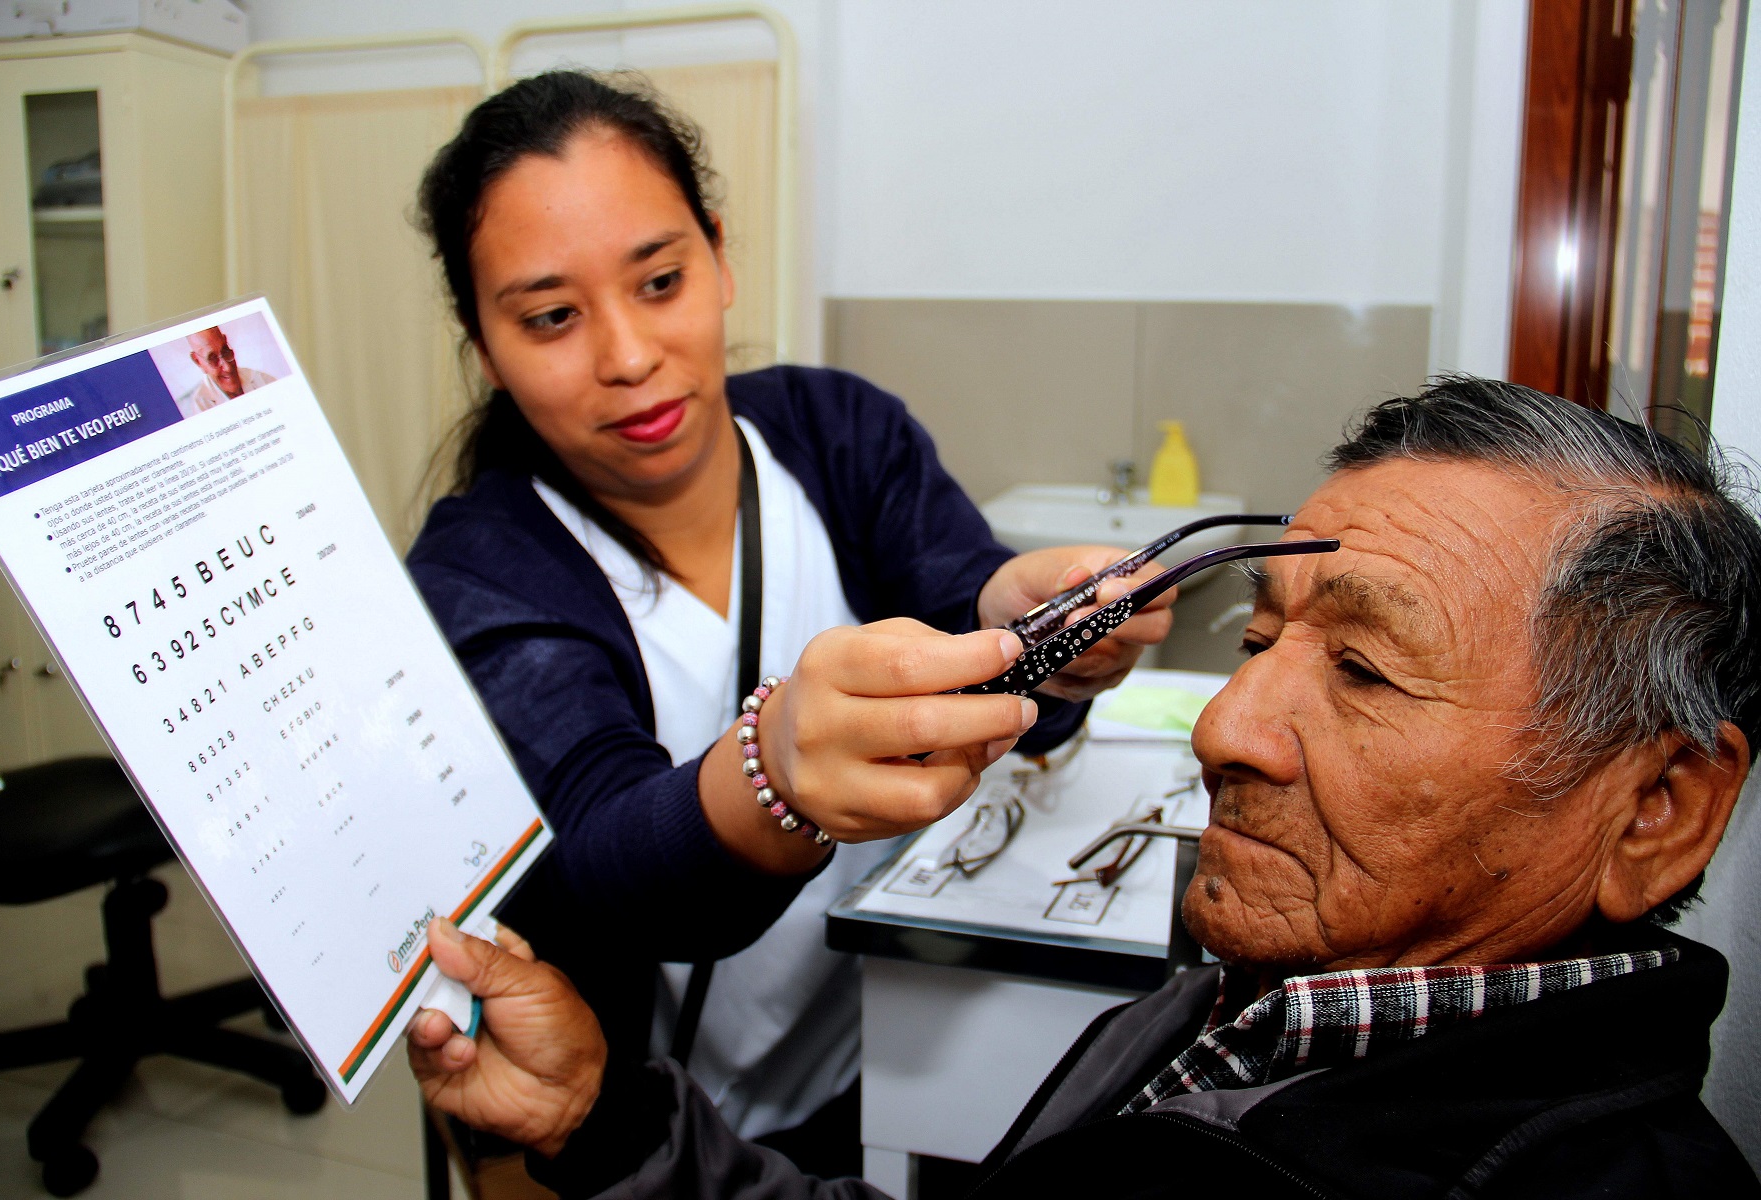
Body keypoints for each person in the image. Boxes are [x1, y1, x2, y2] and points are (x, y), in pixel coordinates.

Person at [408, 378, 1761, 1198]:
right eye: (1258, 635)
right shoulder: (1240, 1006)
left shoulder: (822, 427)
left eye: (1361, 668)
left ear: (1658, 809)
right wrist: (604, 1116)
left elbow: (959, 571)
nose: (1226, 726)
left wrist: (997, 598)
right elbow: (591, 840)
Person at [403, 71, 1173, 1175]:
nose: (626, 356)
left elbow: (968, 599)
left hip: (880, 1049)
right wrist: (773, 765)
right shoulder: (483, 568)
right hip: (663, 1137)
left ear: (719, 257)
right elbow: (607, 864)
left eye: (660, 280)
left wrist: (1046, 641)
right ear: (484, 344)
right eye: (552, 318)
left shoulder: (837, 432)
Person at [172, 325, 274, 416]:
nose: (228, 368)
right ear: (198, 362)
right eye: (213, 359)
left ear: (225, 341)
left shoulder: (260, 378)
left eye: (225, 351)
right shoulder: (201, 407)